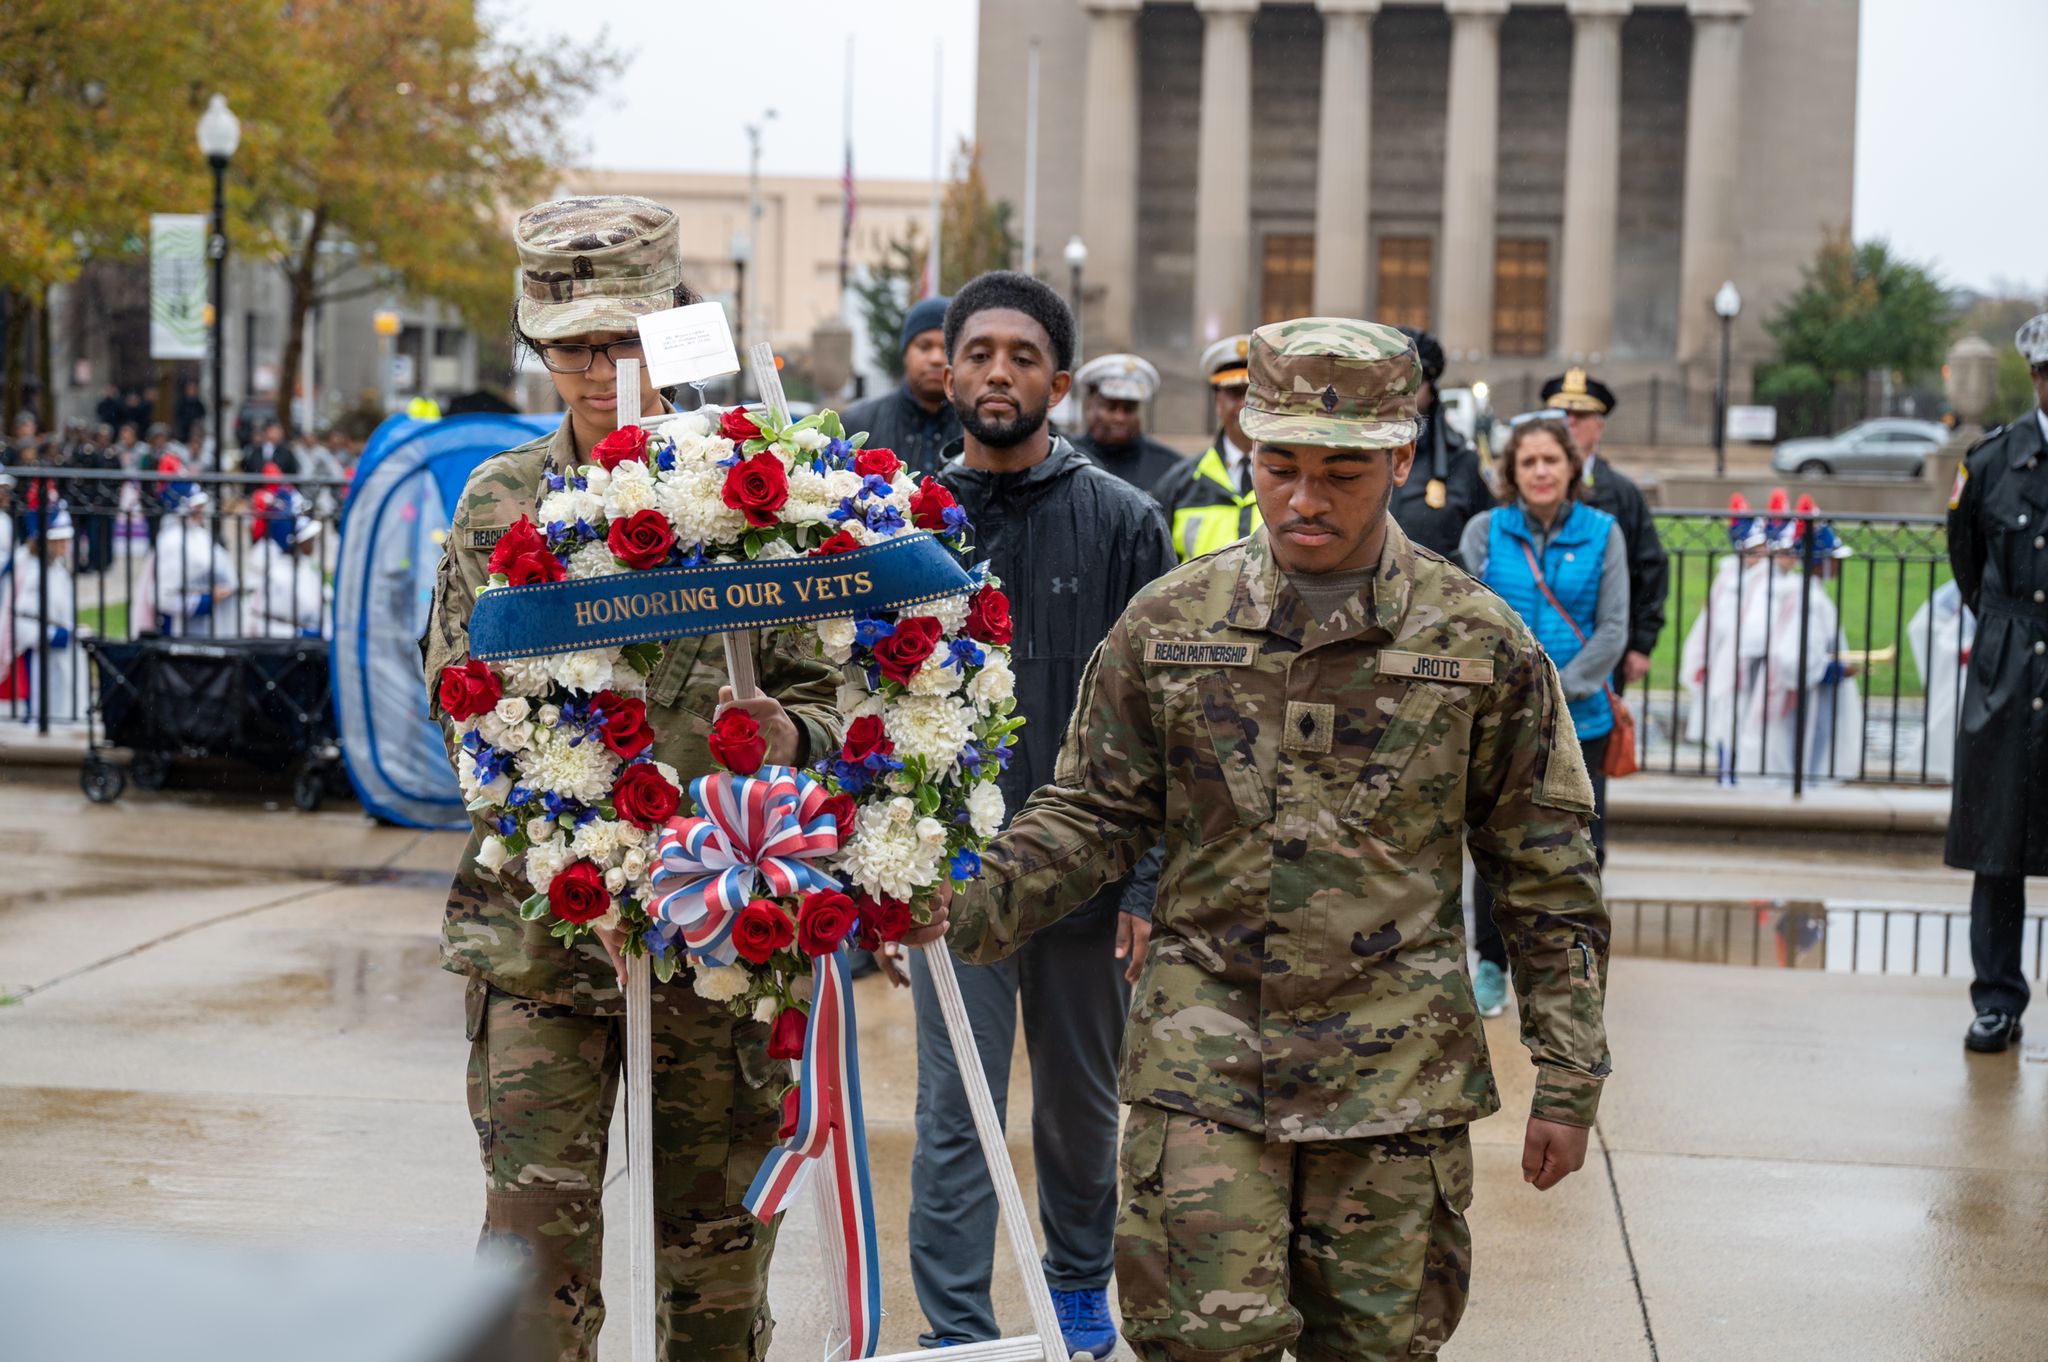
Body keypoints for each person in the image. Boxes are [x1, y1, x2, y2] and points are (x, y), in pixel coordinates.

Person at [935, 319, 1611, 1362]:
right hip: (1207, 1069)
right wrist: (963, 902)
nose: (1304, 499)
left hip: (1394, 1087)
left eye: (1340, 471)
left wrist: (1565, 1076)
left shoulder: (1476, 642)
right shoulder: (1168, 625)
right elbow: (1094, 809)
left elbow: (1544, 868)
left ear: (1398, 455)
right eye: (1278, 466)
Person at [421, 194, 844, 1361]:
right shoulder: (498, 503)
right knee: (529, 1258)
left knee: (714, 1258)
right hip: (544, 943)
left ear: (674, 327)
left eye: (625, 340)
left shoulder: (766, 499)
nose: (602, 371)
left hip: (724, 940)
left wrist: (786, 738)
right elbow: (462, 702)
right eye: (574, 347)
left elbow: (841, 696)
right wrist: (589, 869)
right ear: (536, 346)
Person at [903, 272, 1175, 1357]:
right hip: (951, 883)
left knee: (1076, 1114)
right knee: (955, 1115)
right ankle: (957, 1332)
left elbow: (1164, 723)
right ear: (947, 368)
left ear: (1057, 383)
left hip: (1087, 884)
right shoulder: (902, 525)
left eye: (1021, 356)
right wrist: (886, 880)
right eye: (978, 353)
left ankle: (1075, 1293)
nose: (997, 372)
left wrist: (1145, 886)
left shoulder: (1122, 523)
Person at [1458, 413, 1627, 1018]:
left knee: (1581, 848)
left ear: (1571, 467)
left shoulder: (1604, 533)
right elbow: (1469, 619)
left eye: (1550, 460)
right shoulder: (1486, 530)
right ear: (1511, 471)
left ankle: (1567, 965)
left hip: (1582, 720)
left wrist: (1560, 688)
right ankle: (1491, 965)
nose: (1540, 472)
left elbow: (1612, 629)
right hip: (1503, 721)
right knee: (1495, 845)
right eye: (1527, 462)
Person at [1945, 312, 2048, 1053]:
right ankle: (1997, 998)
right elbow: (1968, 559)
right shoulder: (1992, 461)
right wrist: (2008, 631)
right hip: (2009, 664)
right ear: (2035, 377)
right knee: (1998, 840)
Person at [1541, 369, 1668, 694]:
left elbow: (1650, 566)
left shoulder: (1622, 492)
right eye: (1561, 414)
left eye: (1581, 415)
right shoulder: (1524, 487)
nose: (1570, 422)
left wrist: (1642, 643)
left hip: (1601, 649)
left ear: (1600, 425)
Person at [1678, 493, 1773, 781]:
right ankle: (1727, 774)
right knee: (1725, 722)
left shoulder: (1766, 581)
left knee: (1750, 725)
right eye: (1753, 550)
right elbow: (1712, 622)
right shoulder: (1728, 580)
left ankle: (1746, 774)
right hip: (1725, 663)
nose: (1760, 555)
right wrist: (1701, 658)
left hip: (1754, 664)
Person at [1150, 334, 1261, 562]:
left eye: (1253, 393)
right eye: (1235, 393)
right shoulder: (1179, 484)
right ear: (1217, 403)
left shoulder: (1294, 481)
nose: (1244, 404)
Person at [1388, 326, 1492, 563]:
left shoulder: (1461, 460)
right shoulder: (1352, 451)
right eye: (1390, 381)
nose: (1399, 393)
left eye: (1412, 382)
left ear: (1431, 388)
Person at [838, 295, 961, 480]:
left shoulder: (977, 432)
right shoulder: (857, 425)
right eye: (924, 346)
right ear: (905, 353)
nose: (936, 358)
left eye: (947, 348)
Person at [2, 501, 81, 721]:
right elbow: (21, 620)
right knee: (38, 713)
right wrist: (55, 635)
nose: (66, 545)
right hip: (36, 655)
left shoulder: (56, 568)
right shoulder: (31, 571)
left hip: (56, 655)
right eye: (61, 540)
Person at [1068, 352, 1186, 493]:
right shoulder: (1067, 458)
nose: (1120, 418)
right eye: (1111, 408)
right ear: (1089, 406)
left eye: (1129, 409)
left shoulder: (1169, 466)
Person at [142, 488, 238, 637]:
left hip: (208, 622)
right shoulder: (171, 541)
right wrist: (207, 600)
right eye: (196, 507)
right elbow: (163, 596)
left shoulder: (199, 534)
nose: (201, 511)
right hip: (180, 626)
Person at [243, 489, 328, 638]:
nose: (313, 541)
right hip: (283, 645)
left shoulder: (302, 562)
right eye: (307, 538)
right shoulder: (273, 568)